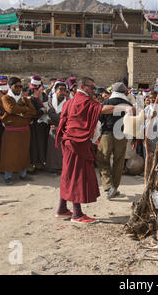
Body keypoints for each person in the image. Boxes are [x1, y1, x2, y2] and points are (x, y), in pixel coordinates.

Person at [55, 77, 121, 223]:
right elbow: (100, 109)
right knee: (76, 177)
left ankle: (62, 208)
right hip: (77, 143)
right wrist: (123, 108)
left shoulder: (70, 101)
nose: (93, 91)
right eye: (92, 88)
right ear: (84, 87)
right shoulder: (82, 100)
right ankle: (77, 214)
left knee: (68, 175)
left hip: (68, 142)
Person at [97, 82, 133, 199]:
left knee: (103, 161)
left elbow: (100, 120)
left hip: (107, 134)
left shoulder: (106, 103)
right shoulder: (128, 104)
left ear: (113, 91)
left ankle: (108, 186)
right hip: (121, 136)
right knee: (119, 162)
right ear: (124, 92)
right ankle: (114, 188)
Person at [0, 77, 36, 185]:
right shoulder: (6, 98)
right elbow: (10, 109)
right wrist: (24, 110)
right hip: (11, 132)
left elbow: (33, 112)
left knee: (23, 153)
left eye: (20, 86)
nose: (19, 88)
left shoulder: (25, 99)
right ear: (11, 87)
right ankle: (8, 176)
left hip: (24, 132)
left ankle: (23, 174)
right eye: (16, 86)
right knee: (9, 154)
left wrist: (19, 111)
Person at [46, 80, 67, 173]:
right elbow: (50, 113)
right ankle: (53, 167)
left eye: (64, 90)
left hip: (65, 129)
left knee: (63, 150)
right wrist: (61, 119)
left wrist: (61, 121)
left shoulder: (68, 102)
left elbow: (68, 115)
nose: (62, 92)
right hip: (54, 129)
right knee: (53, 149)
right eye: (60, 89)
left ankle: (63, 167)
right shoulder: (50, 102)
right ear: (55, 90)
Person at [29, 76, 50, 171]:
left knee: (41, 144)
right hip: (35, 127)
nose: (41, 91)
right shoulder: (31, 100)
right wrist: (42, 111)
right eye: (40, 89)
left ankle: (39, 163)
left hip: (42, 126)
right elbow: (32, 114)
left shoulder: (39, 99)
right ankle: (34, 164)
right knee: (35, 145)